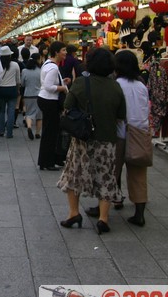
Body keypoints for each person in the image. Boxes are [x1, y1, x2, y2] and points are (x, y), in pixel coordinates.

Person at [57, 47, 126, 235]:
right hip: (107, 140)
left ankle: (74, 213)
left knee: (74, 174)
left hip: (83, 140)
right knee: (106, 176)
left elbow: (67, 106)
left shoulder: (80, 83)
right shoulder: (115, 86)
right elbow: (121, 115)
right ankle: (103, 219)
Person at [115, 49, 150, 227]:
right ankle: (139, 213)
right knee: (138, 174)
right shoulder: (141, 85)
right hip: (140, 133)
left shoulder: (117, 84)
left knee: (114, 169)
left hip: (121, 132)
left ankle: (115, 199)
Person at [37, 41, 70, 171]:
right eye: (63, 50)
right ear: (56, 52)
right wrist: (63, 87)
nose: (65, 53)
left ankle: (48, 160)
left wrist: (62, 81)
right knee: (50, 133)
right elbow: (49, 87)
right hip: (49, 101)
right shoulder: (53, 67)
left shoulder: (47, 63)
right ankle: (47, 162)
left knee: (49, 131)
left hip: (44, 99)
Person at [0, 46, 21, 138]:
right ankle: (9, 133)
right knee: (11, 111)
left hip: (1, 90)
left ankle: (1, 131)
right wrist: (18, 89)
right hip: (12, 90)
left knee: (1, 112)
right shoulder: (15, 65)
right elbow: (18, 80)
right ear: (10, 56)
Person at [20, 51, 42, 140]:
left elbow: (22, 84)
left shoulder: (24, 71)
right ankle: (37, 133)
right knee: (39, 116)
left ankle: (29, 126)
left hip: (28, 95)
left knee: (29, 113)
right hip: (39, 95)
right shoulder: (41, 71)